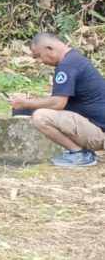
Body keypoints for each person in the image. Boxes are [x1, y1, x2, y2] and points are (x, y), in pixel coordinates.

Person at [11, 31, 105, 167]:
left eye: (38, 56)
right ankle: (80, 153)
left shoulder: (67, 66)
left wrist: (26, 103)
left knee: (40, 117)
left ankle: (80, 155)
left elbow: (57, 104)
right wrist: (25, 106)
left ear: (49, 48)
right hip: (97, 128)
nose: (40, 61)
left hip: (99, 134)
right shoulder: (73, 59)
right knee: (29, 111)